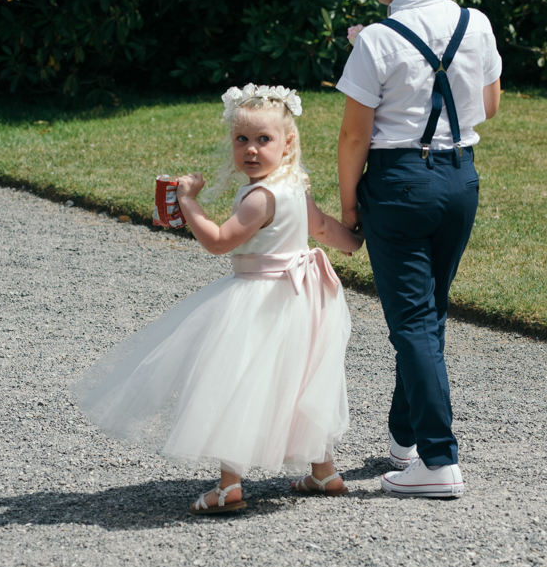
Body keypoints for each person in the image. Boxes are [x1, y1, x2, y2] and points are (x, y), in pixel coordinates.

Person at [74, 85, 363, 515]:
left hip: (261, 301)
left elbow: (219, 241)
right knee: (298, 380)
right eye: (241, 140)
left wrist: (187, 201)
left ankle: (230, 486)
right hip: (303, 302)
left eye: (263, 139)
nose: (250, 150)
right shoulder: (294, 186)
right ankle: (323, 470)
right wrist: (355, 241)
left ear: (287, 144)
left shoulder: (259, 196)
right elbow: (321, 227)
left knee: (240, 384)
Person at [336, 0, 503, 499]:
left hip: (398, 181)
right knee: (429, 312)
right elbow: (489, 105)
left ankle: (438, 459)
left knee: (410, 321)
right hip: (461, 179)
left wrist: (350, 203)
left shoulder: (377, 40)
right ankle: (404, 437)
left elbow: (355, 133)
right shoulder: (475, 23)